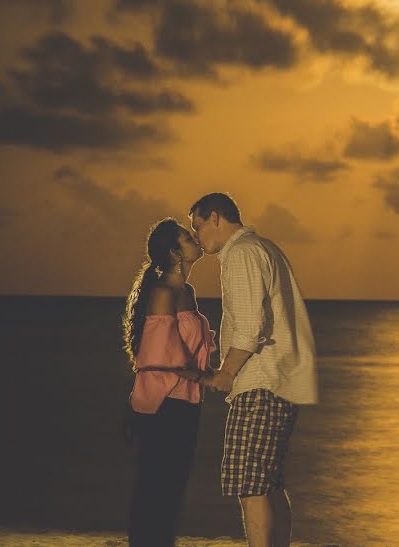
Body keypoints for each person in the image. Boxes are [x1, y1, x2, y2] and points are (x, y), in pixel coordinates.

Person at [188, 192, 318, 547]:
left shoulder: (242, 253)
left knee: (249, 483)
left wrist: (226, 372)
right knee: (269, 482)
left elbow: (249, 325)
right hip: (282, 380)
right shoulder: (265, 248)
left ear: (215, 217)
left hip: (261, 382)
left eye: (197, 226)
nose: (196, 235)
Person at [122, 217, 217, 547]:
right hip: (163, 403)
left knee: (173, 486)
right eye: (188, 238)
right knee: (155, 487)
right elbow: (158, 351)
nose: (196, 239)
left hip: (186, 401)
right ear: (176, 253)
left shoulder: (186, 291)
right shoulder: (163, 292)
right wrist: (204, 376)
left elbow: (190, 346)